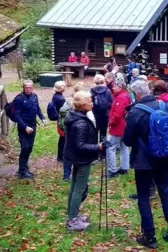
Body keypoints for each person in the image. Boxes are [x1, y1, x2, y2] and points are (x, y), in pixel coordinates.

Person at [124, 80, 168, 249]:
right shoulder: (163, 105)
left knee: (143, 197)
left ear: (136, 94)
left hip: (144, 161)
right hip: (164, 156)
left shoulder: (135, 112)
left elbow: (127, 140)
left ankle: (150, 236)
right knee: (165, 192)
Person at [129, 80, 168, 200]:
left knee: (150, 166)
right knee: (163, 174)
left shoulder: (154, 102)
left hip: (150, 140)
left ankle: (150, 191)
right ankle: (158, 192)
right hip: (167, 139)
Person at [64, 90, 107, 231]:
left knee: (75, 186)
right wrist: (99, 147)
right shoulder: (81, 123)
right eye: (89, 101)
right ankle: (73, 220)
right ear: (82, 105)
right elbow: (80, 145)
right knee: (79, 188)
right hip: (81, 159)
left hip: (75, 157)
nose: (92, 103)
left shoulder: (75, 115)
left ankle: (72, 214)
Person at [13, 80, 47, 179]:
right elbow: (17, 116)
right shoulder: (19, 99)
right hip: (24, 127)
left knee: (29, 148)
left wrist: (42, 118)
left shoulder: (34, 96)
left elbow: (38, 109)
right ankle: (22, 171)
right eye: (26, 87)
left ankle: (25, 168)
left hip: (33, 126)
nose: (28, 89)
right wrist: (25, 127)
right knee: (25, 148)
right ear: (23, 88)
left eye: (30, 87)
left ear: (33, 88)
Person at [59, 82, 86, 181]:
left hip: (68, 131)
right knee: (77, 153)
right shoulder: (77, 104)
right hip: (76, 131)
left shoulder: (67, 102)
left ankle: (67, 175)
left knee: (68, 152)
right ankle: (75, 175)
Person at [107, 78, 132, 178]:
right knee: (124, 147)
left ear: (120, 87)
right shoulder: (126, 96)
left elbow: (118, 114)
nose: (112, 88)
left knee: (110, 147)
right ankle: (124, 167)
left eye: (114, 86)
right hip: (125, 126)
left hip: (118, 127)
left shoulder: (121, 98)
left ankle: (112, 170)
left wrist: (111, 122)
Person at [91, 74, 114, 142]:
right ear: (103, 81)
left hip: (94, 114)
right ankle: (102, 149)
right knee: (103, 133)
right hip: (105, 114)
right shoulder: (108, 91)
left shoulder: (92, 91)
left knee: (94, 131)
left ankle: (94, 148)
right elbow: (112, 102)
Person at [52, 81, 67, 163]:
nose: (65, 87)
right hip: (62, 121)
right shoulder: (60, 99)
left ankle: (60, 156)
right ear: (61, 88)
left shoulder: (56, 96)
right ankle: (61, 157)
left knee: (62, 138)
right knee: (63, 138)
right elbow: (64, 111)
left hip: (59, 119)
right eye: (64, 86)